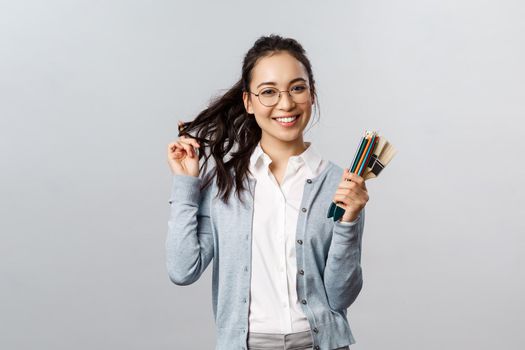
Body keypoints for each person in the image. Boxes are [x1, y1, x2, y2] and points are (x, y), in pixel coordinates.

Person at [165, 34, 369, 350]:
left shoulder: (340, 185)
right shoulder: (224, 184)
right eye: (269, 92)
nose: (285, 104)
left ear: (311, 95)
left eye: (297, 88)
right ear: (248, 101)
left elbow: (341, 295)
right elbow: (183, 269)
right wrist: (186, 185)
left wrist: (348, 223)